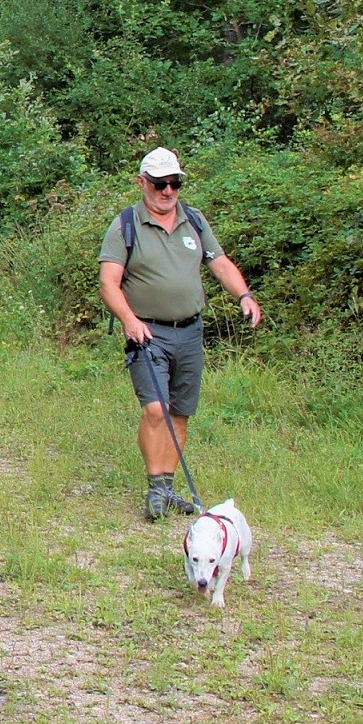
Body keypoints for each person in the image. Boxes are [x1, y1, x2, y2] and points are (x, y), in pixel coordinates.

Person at [98, 147, 263, 521]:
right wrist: (128, 319)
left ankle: (168, 487)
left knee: (180, 413)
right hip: (147, 332)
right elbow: (108, 283)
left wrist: (244, 295)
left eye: (174, 183)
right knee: (156, 408)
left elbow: (218, 263)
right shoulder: (125, 225)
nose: (168, 191)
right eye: (160, 183)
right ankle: (156, 486)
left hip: (189, 332)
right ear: (142, 183)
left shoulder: (194, 221)